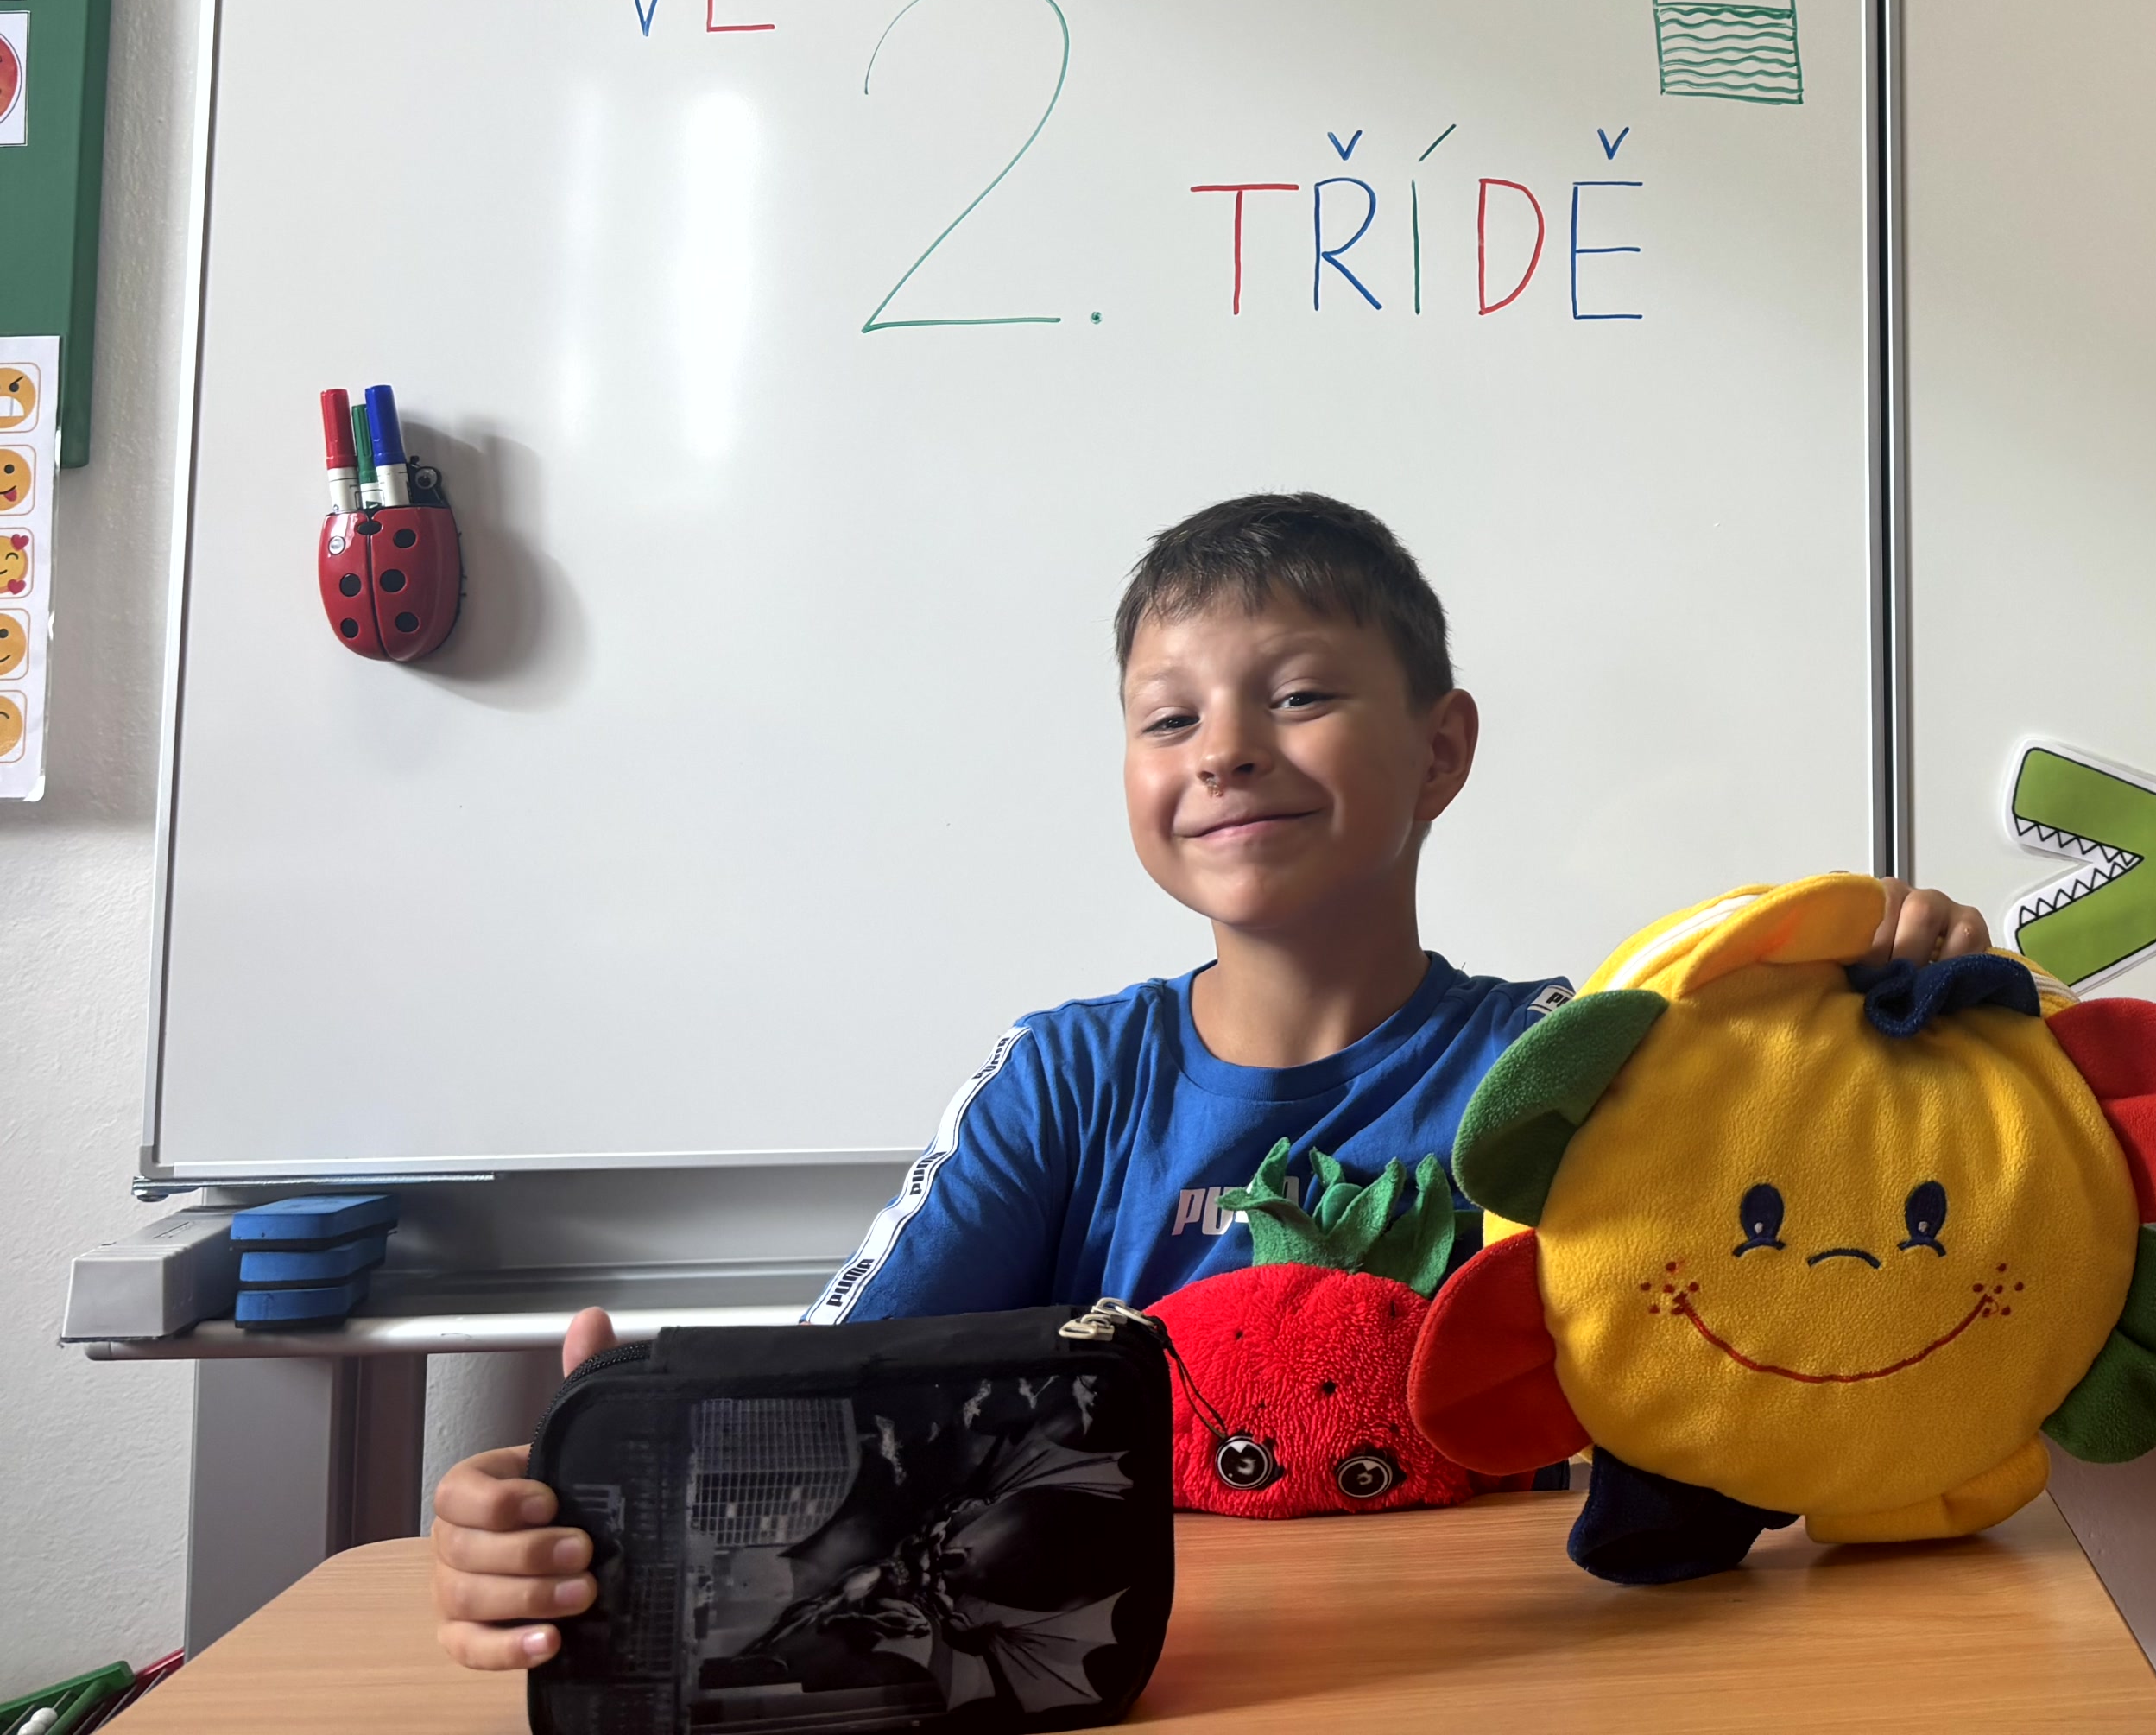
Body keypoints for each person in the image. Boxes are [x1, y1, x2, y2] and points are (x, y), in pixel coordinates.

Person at [430, 491, 1988, 1669]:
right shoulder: (1067, 1080)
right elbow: (839, 1400)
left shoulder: (1567, 1068)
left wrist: (1903, 1020)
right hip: (1169, 1681)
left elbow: (1801, 1304)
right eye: (1168, 718)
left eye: (1297, 695)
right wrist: (601, 1486)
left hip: (1516, 1672)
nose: (1224, 750)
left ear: (1441, 751)